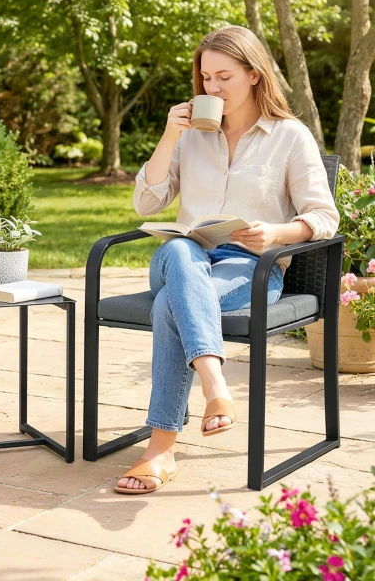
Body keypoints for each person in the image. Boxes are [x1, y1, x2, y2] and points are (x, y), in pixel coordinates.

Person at [115, 25, 340, 495]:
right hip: (183, 253)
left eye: (223, 77)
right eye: (205, 79)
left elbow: (323, 216)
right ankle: (215, 383)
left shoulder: (289, 137)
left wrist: (276, 233)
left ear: (254, 75)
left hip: (249, 266)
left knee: (168, 308)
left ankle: (161, 450)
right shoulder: (191, 134)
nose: (211, 88)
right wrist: (168, 136)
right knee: (178, 248)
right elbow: (146, 204)